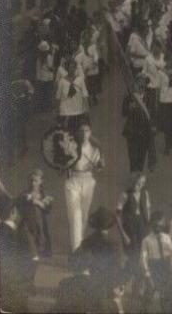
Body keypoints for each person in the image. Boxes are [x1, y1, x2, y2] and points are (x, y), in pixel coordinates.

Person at [65, 124, 104, 253]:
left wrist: (100, 165)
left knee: (84, 215)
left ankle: (78, 246)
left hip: (88, 182)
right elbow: (62, 163)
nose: (84, 133)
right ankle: (76, 250)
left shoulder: (95, 150)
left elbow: (99, 168)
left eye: (86, 130)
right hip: (73, 182)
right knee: (75, 216)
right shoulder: (71, 146)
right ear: (78, 133)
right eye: (81, 130)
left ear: (90, 133)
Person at [76, 206, 121, 311]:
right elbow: (116, 267)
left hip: (90, 282)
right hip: (108, 284)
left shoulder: (87, 241)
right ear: (109, 226)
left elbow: (74, 260)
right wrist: (116, 286)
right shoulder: (113, 243)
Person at [0, 196, 38, 312]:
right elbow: (33, 259)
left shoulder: (3, 230)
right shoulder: (20, 235)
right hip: (15, 289)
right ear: (14, 211)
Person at [116, 173, 151, 295]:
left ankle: (137, 286)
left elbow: (148, 212)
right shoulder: (125, 195)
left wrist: (148, 230)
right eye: (138, 183)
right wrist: (123, 234)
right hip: (130, 230)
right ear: (132, 182)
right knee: (133, 258)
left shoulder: (144, 194)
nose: (140, 186)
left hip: (142, 228)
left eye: (142, 183)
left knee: (143, 258)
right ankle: (121, 284)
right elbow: (117, 216)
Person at [140, 210, 172, 313]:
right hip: (154, 267)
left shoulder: (167, 238)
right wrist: (147, 275)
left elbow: (171, 255)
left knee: (167, 296)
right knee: (149, 294)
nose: (158, 227)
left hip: (165, 267)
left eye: (160, 225)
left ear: (163, 224)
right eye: (155, 225)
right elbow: (143, 258)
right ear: (152, 224)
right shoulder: (146, 240)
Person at [122, 77, 157, 173]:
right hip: (132, 131)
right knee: (133, 155)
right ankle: (135, 175)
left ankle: (138, 173)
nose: (139, 87)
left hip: (145, 131)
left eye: (142, 84)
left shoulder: (149, 98)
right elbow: (124, 113)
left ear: (144, 87)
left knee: (141, 155)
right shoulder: (129, 98)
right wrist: (129, 108)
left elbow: (153, 113)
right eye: (137, 84)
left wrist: (154, 126)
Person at [17, 169, 53, 259]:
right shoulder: (26, 192)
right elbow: (20, 201)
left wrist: (39, 202)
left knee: (41, 233)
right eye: (32, 180)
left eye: (36, 181)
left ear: (41, 181)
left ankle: (41, 251)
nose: (33, 183)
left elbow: (47, 208)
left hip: (39, 220)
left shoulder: (44, 194)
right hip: (28, 221)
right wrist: (33, 201)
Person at [57, 60, 90, 134]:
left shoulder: (80, 80)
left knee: (78, 132)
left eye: (73, 67)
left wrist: (87, 107)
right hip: (65, 111)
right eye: (69, 67)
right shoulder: (62, 81)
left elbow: (85, 94)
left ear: (75, 68)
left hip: (78, 110)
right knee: (67, 133)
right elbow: (58, 96)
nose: (71, 69)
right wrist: (58, 110)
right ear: (66, 68)